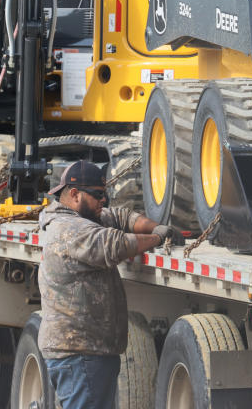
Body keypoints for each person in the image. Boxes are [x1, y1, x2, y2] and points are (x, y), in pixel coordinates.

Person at [38, 160, 184, 409]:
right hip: (81, 353)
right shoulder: (70, 228)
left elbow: (120, 217)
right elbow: (113, 245)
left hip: (82, 352)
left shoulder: (80, 216)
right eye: (98, 195)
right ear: (74, 194)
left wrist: (156, 226)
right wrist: (158, 237)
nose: (103, 201)